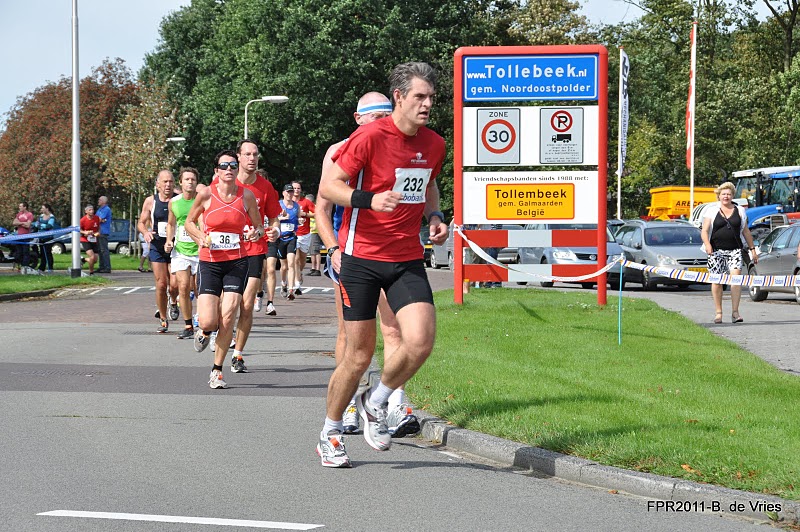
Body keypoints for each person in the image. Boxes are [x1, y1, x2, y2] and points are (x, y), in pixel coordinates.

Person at [316, 62, 448, 467]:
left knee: (421, 341)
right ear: (400, 98)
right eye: (420, 97)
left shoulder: (435, 143)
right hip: (361, 258)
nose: (427, 105)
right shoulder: (370, 137)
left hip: (406, 257)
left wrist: (435, 217)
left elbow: (427, 185)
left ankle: (376, 401)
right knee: (358, 356)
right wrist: (368, 199)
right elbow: (329, 187)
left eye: (431, 98)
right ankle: (331, 431)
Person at [317, 91, 421, 443]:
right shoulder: (338, 151)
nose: (380, 121)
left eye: (384, 114)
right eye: (372, 115)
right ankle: (346, 405)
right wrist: (332, 247)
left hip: (392, 254)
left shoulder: (400, 145)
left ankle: (395, 403)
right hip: (350, 251)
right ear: (357, 118)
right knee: (352, 338)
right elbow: (321, 207)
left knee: (396, 330)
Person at [184, 150, 265, 389]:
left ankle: (217, 371)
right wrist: (200, 236)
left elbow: (259, 226)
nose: (229, 169)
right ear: (217, 171)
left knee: (229, 315)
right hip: (209, 262)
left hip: (237, 262)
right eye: (224, 166)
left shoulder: (247, 196)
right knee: (209, 321)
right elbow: (189, 222)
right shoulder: (206, 194)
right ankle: (204, 331)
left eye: (232, 165)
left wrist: (254, 233)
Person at [229, 139, 281, 373]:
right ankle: (222, 332)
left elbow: (274, 217)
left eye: (255, 154)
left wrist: (275, 230)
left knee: (247, 304)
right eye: (247, 154)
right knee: (227, 306)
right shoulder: (224, 182)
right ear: (238, 157)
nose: (252, 158)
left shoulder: (265, 187)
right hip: (226, 251)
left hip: (254, 250)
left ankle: (238, 354)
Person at [701, 181, 758, 324]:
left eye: (729, 194)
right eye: (723, 194)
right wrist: (707, 244)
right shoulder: (711, 210)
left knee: (736, 279)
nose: (726, 196)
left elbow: (745, 231)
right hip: (716, 251)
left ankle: (735, 312)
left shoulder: (740, 210)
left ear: (733, 195)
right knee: (717, 281)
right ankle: (718, 313)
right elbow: (705, 230)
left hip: (735, 250)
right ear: (719, 196)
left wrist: (753, 250)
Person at [137, 170, 180, 334]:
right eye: (165, 182)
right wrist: (146, 232)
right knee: (161, 284)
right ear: (158, 185)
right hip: (157, 244)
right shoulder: (150, 201)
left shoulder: (179, 199)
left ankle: (174, 302)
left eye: (170, 181)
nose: (168, 185)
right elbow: (141, 222)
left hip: (175, 245)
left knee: (175, 285)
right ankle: (163, 318)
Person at [165, 168, 202, 340]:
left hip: (200, 251)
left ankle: (202, 320)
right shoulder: (174, 202)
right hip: (181, 251)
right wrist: (169, 240)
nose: (190, 182)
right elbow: (171, 224)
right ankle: (188, 325)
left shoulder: (202, 200)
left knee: (199, 289)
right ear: (181, 182)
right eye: (187, 179)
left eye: (193, 179)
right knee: (183, 286)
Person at [267, 184, 302, 306]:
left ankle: (291, 290)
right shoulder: (278, 204)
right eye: (288, 192)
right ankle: (283, 283)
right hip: (280, 238)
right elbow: (273, 219)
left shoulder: (296, 206)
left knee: (292, 263)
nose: (290, 194)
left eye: (291, 192)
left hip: (291, 237)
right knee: (284, 266)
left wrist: (300, 221)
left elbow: (298, 219)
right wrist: (282, 218)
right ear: (283, 193)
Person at [293, 181, 315, 293]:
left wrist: (305, 214)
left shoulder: (306, 202)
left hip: (305, 234)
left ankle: (299, 273)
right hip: (293, 234)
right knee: (295, 259)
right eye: (294, 188)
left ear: (301, 190)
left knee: (302, 259)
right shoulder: (288, 202)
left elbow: (316, 213)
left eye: (298, 188)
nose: (296, 190)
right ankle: (297, 284)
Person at [34, 204, 58, 273]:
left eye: (43, 208)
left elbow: (49, 226)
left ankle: (50, 268)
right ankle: (42, 267)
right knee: (42, 253)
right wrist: (41, 226)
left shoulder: (51, 217)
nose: (41, 209)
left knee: (48, 252)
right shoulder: (41, 216)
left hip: (48, 237)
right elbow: (36, 224)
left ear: (47, 209)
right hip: (41, 237)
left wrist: (41, 225)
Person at [79, 204, 101, 275]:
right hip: (85, 240)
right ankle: (91, 272)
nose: (92, 211)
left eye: (92, 210)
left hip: (94, 239)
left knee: (95, 260)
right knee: (92, 256)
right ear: (86, 211)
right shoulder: (82, 220)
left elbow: (98, 228)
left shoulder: (97, 218)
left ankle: (83, 259)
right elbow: (79, 229)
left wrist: (98, 233)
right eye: (90, 210)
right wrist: (85, 232)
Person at [12, 202, 33, 272]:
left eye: (20, 206)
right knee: (19, 252)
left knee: (25, 252)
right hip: (19, 236)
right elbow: (14, 223)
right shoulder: (18, 214)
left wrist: (19, 223)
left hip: (26, 236)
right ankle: (20, 266)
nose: (19, 207)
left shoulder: (29, 215)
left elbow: (28, 225)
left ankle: (25, 267)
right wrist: (23, 223)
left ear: (25, 207)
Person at [306, 194, 322, 276]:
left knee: (316, 250)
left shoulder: (314, 208)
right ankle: (313, 268)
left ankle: (317, 269)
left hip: (314, 231)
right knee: (312, 251)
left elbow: (319, 218)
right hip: (310, 232)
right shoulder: (308, 208)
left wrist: (315, 227)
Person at [96, 196, 112, 273]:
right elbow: (97, 219)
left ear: (103, 201)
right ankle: (101, 266)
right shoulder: (100, 209)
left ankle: (107, 267)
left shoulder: (106, 209)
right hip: (98, 232)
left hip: (103, 232)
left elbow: (98, 219)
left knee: (104, 250)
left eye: (99, 200)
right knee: (100, 250)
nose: (98, 201)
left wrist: (100, 220)